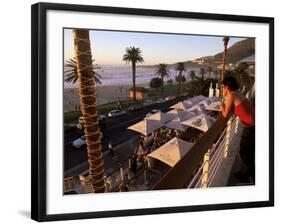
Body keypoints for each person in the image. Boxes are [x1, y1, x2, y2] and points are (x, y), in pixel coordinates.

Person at [220, 76, 255, 184]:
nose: (222, 90)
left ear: (227, 87)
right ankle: (246, 174)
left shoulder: (232, 95)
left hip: (251, 127)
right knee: (248, 153)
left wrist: (221, 105)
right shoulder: (238, 93)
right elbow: (235, 109)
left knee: (245, 154)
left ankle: (254, 178)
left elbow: (226, 114)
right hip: (253, 125)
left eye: (222, 87)